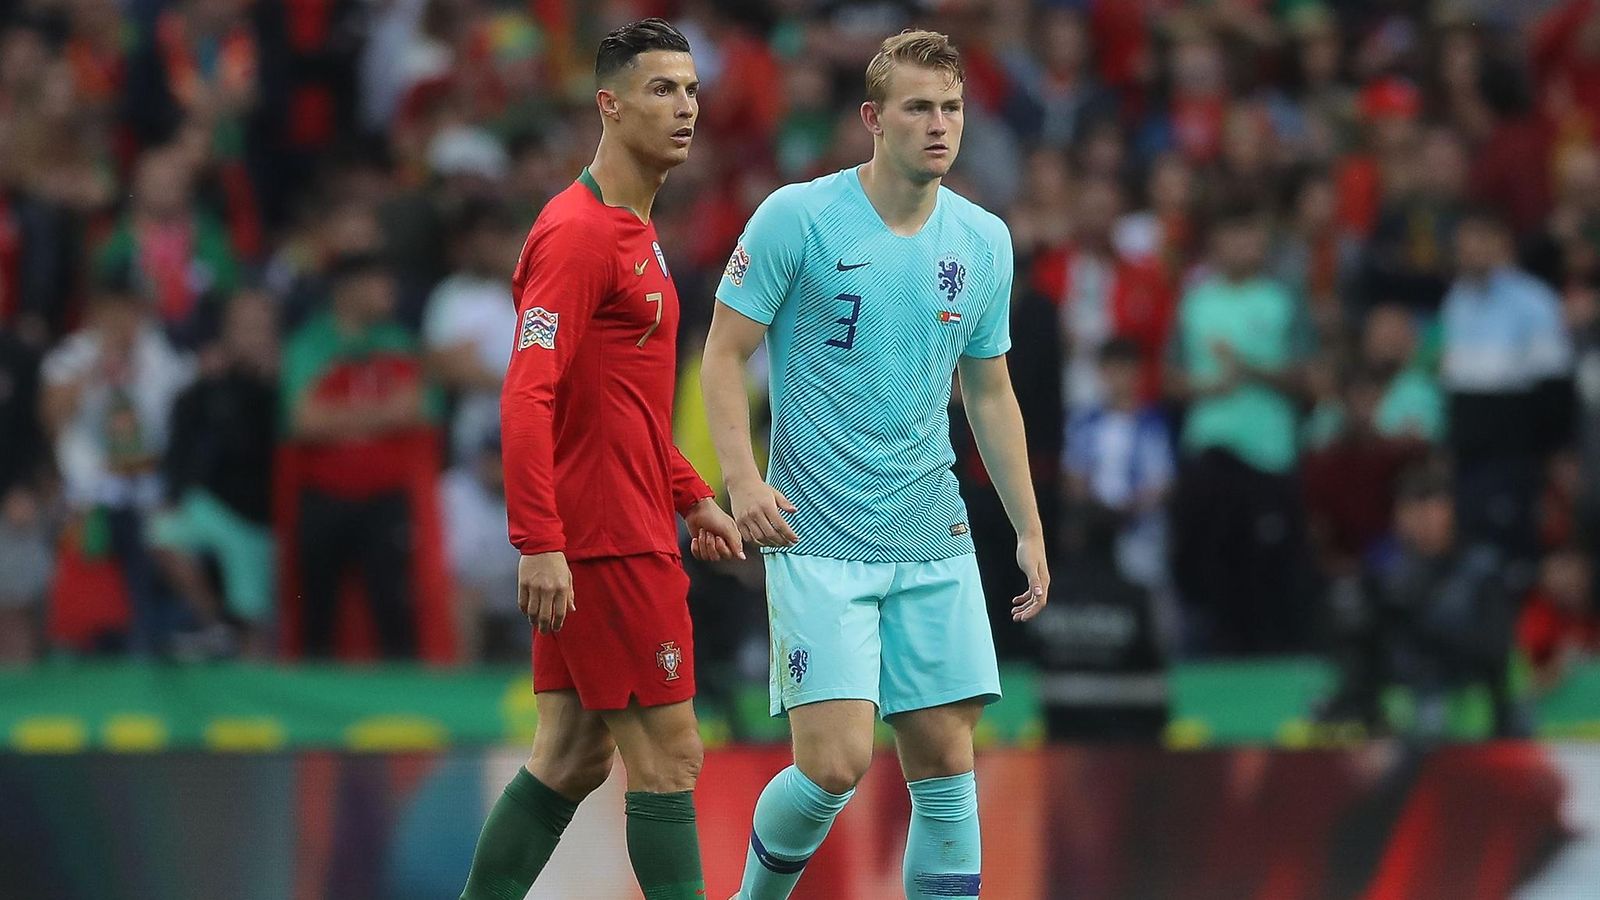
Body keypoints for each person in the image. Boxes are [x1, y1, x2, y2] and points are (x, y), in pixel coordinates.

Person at [701, 31, 1049, 900]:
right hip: (817, 531)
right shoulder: (799, 217)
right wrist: (741, 481)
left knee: (944, 759)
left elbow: (992, 392)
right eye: (919, 108)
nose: (940, 125)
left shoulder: (984, 240)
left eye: (952, 108)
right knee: (833, 764)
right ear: (872, 118)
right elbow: (721, 355)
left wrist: (1029, 526)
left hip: (931, 532)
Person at [459, 20, 741, 900]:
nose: (686, 107)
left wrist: (691, 494)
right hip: (603, 540)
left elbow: (612, 407)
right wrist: (538, 540)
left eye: (692, 89)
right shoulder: (579, 236)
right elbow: (527, 393)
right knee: (671, 758)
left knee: (572, 755)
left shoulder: (635, 231)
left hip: (627, 518)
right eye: (663, 90)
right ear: (608, 106)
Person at [280, 251, 433, 659]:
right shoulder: (309, 343)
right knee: (317, 608)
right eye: (379, 283)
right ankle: (314, 711)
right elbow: (301, 422)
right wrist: (381, 416)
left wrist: (339, 417)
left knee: (394, 605)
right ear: (348, 291)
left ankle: (404, 705)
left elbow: (416, 409)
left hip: (386, 499)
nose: (391, 292)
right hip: (323, 496)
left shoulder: (398, 341)